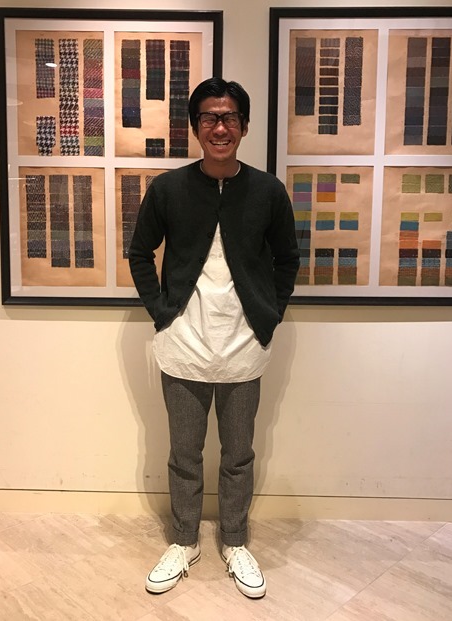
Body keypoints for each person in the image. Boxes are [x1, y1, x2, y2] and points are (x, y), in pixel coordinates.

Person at [129, 77, 299, 599]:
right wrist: (162, 313)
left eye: (228, 118)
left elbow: (288, 258)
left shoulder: (268, 191)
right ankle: (184, 540)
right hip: (183, 342)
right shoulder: (168, 189)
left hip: (244, 344)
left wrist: (269, 316)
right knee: (183, 453)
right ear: (196, 126)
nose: (219, 127)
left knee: (238, 454)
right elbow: (139, 253)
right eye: (209, 117)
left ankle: (235, 540)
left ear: (244, 126)